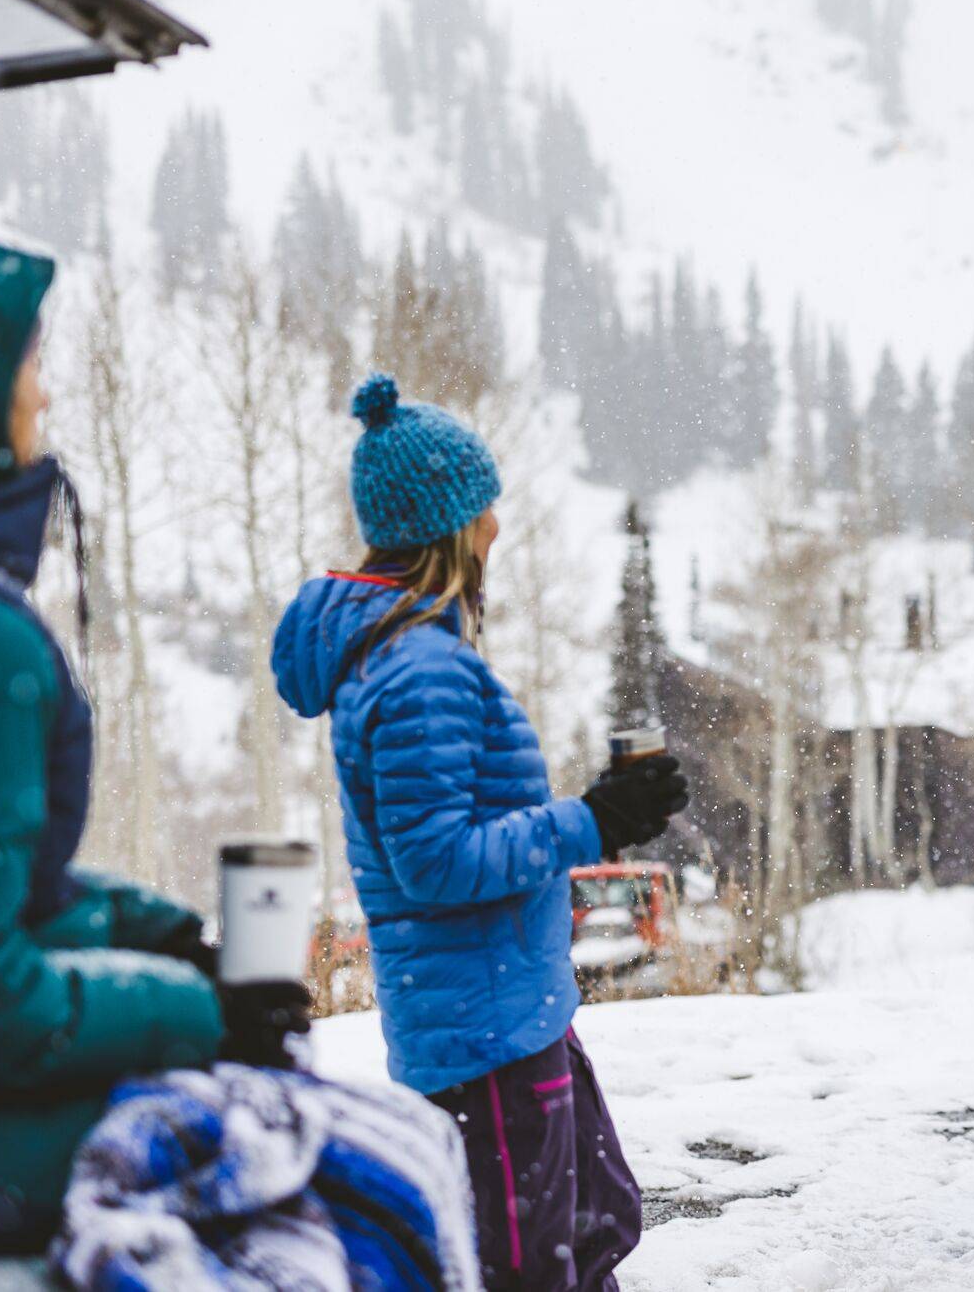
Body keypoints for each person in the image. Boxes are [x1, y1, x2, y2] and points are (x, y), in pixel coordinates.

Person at [0, 222, 308, 1254]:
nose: (40, 395)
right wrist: (200, 1013)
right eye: (24, 366)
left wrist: (161, 934)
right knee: (331, 1157)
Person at [271, 373, 687, 1292]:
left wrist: (600, 805)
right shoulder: (419, 666)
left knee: (588, 1233)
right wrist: (593, 821)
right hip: (484, 1034)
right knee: (528, 1267)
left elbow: (462, 826)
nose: (497, 524)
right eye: (483, 504)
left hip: (500, 1011)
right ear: (449, 524)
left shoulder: (410, 651)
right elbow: (435, 859)